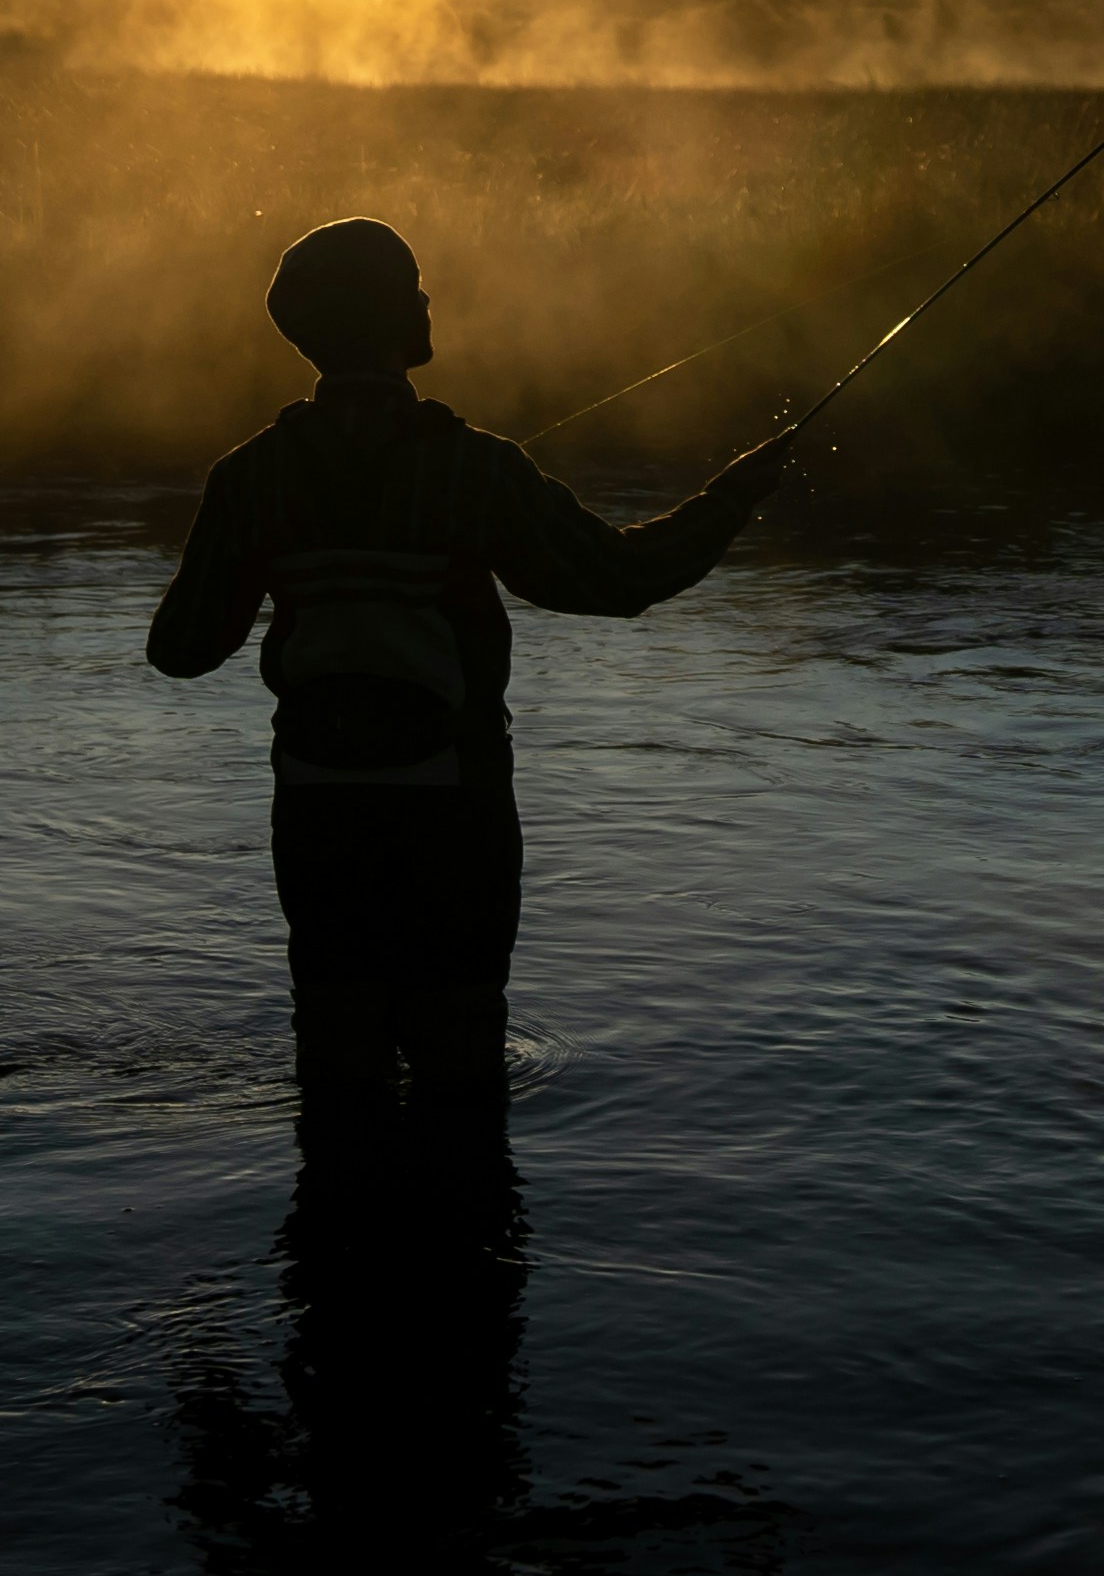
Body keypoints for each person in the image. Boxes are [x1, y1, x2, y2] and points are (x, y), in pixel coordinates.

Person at [148, 216, 793, 1114]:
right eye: (412, 285)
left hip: (317, 811)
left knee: (338, 1072)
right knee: (461, 1072)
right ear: (384, 317)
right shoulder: (475, 470)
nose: (426, 299)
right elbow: (620, 579)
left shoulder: (249, 477)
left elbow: (179, 654)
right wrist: (734, 496)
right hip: (456, 818)